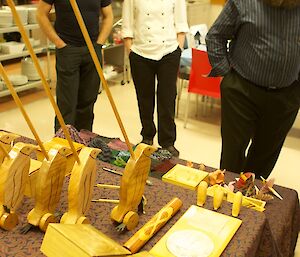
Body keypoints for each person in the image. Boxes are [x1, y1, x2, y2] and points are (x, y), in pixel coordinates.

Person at [205, 0, 300, 178]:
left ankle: (250, 200)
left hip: (286, 96)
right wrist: (226, 73)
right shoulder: (243, 2)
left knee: (265, 158)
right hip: (241, 91)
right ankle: (227, 198)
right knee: (232, 157)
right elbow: (215, 36)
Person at [122, 0, 189, 157]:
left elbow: (181, 23)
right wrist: (130, 49)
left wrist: (178, 48)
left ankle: (167, 142)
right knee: (144, 97)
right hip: (140, 52)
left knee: (167, 98)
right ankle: (147, 136)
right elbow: (127, 25)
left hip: (169, 51)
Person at [37, 0, 113, 132]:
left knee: (88, 101)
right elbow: (40, 14)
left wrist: (99, 43)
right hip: (68, 50)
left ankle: (85, 142)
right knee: (67, 103)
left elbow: (109, 15)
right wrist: (59, 43)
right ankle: (65, 144)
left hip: (92, 49)